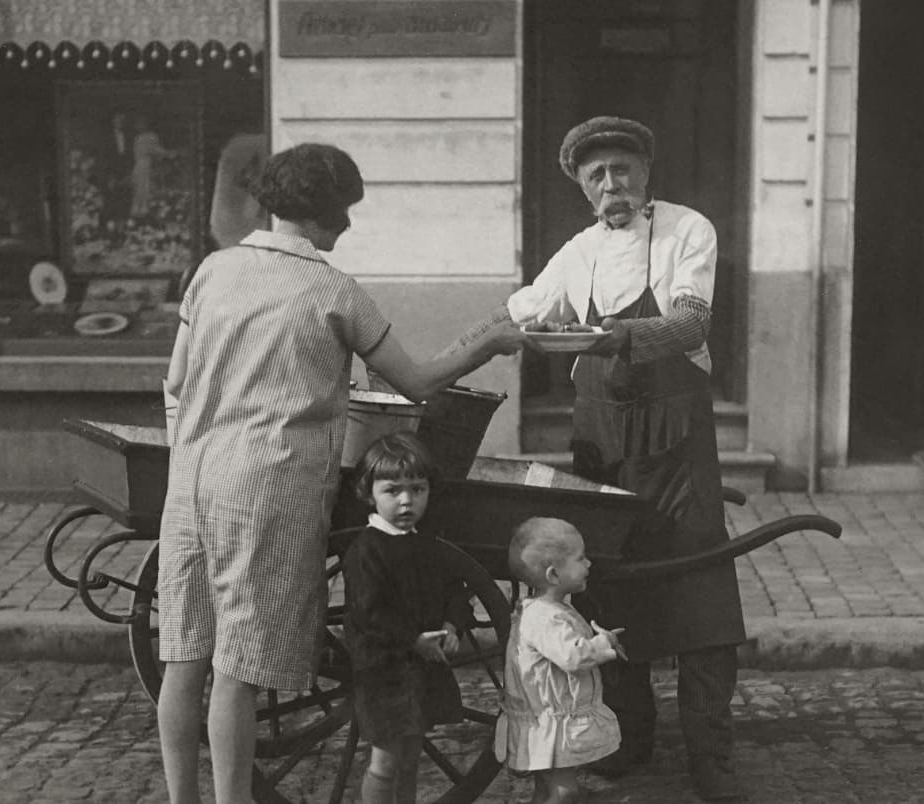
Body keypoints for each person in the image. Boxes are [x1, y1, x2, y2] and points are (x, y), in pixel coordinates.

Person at [157, 142, 526, 804]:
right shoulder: (333, 291)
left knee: (184, 658)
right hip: (269, 485)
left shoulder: (212, 270)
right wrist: (488, 341)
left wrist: (190, 448)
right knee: (237, 668)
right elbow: (414, 383)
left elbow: (176, 383)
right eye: (345, 212)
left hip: (192, 478)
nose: (348, 228)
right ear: (328, 213)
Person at [454, 115, 748, 800]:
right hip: (600, 450)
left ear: (645, 173)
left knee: (702, 593)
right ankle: (630, 740)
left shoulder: (686, 230)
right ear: (584, 191)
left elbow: (691, 322)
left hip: (676, 448)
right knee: (609, 587)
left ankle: (712, 756)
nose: (611, 184)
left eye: (622, 170)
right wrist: (437, 363)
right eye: (597, 176)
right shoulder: (578, 252)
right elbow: (518, 314)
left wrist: (610, 336)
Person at [341, 432, 471, 804]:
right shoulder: (367, 550)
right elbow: (369, 613)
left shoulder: (427, 544)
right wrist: (412, 640)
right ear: (369, 493)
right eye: (392, 490)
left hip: (421, 669)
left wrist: (452, 624)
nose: (406, 500)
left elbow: (455, 588)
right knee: (385, 760)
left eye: (417, 489)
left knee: (411, 756)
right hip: (384, 670)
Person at [496, 517, 625, 804]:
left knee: (548, 785)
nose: (589, 564)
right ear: (554, 575)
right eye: (580, 558)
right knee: (564, 790)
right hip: (553, 722)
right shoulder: (547, 617)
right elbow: (572, 656)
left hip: (548, 718)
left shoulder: (549, 610)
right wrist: (603, 644)